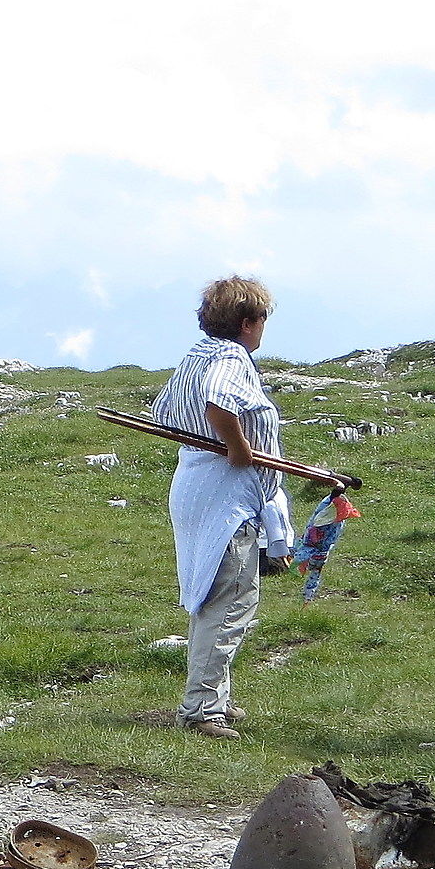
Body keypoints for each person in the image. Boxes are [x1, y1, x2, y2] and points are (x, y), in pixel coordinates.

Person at [152, 276, 293, 738]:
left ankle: (214, 695)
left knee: (214, 597)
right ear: (249, 321)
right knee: (231, 600)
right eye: (261, 320)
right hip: (225, 497)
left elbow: (164, 412)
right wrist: (237, 446)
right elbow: (219, 403)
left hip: (195, 485)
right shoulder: (230, 358)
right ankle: (201, 709)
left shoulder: (197, 355)